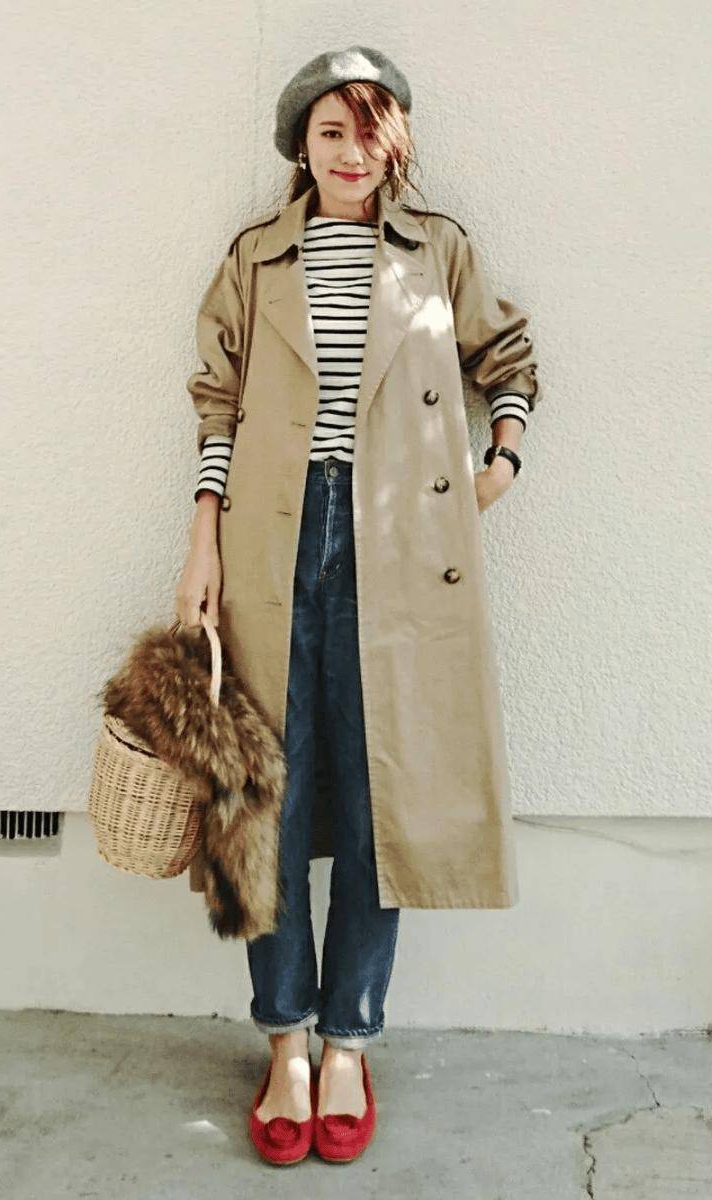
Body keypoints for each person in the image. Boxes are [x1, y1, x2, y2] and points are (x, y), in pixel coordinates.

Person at [176, 46, 538, 1165]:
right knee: (268, 805)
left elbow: (508, 357)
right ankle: (284, 1041)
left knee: (386, 799)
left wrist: (499, 464)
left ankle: (349, 1042)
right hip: (271, 540)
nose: (350, 150)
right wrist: (202, 542)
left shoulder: (437, 251)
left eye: (369, 130)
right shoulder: (256, 257)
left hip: (399, 546)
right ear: (302, 145)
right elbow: (218, 404)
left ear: (396, 144)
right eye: (330, 131)